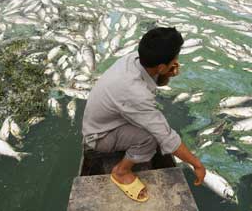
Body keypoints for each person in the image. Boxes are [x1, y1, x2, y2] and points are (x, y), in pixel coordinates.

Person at [82, 27, 206, 202]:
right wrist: (197, 164)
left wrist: (165, 74)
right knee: (151, 137)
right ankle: (121, 171)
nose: (176, 62)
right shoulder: (134, 92)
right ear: (161, 67)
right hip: (99, 135)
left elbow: (153, 82)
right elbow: (166, 137)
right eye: (174, 60)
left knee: (154, 127)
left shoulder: (133, 58)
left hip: (108, 119)